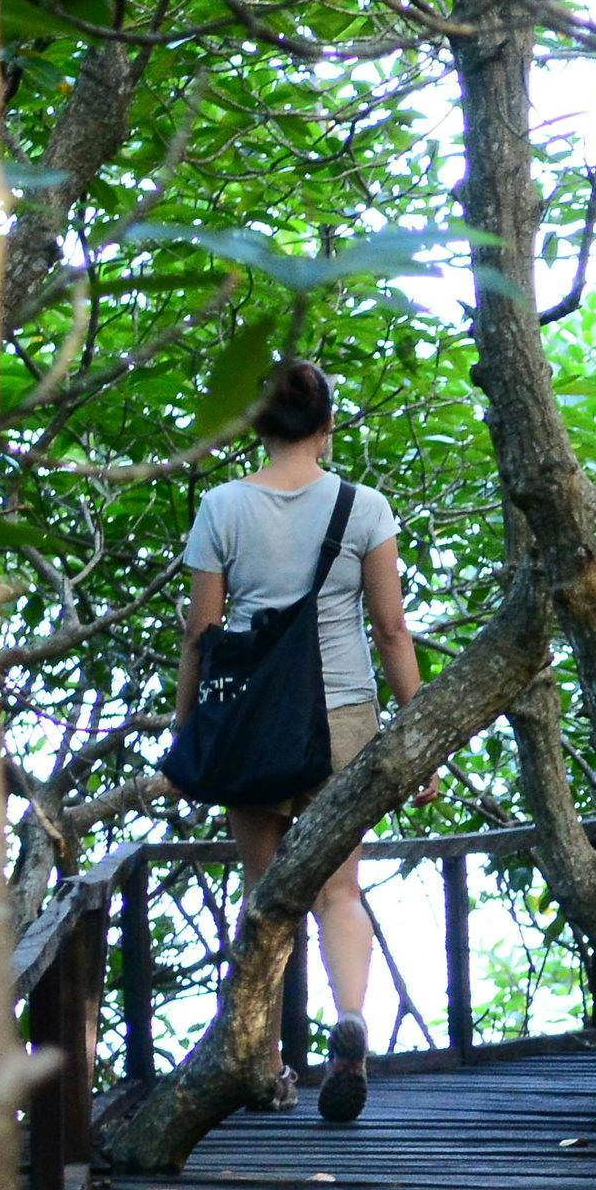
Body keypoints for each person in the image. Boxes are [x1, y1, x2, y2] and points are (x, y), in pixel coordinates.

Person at [177, 358, 418, 1122]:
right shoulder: (364, 506)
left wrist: (190, 733)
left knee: (268, 898)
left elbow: (201, 636)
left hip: (248, 720)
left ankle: (269, 1063)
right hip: (342, 715)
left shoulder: (222, 507)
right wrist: (418, 729)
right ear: (328, 426)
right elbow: (390, 629)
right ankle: (351, 1022)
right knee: (340, 889)